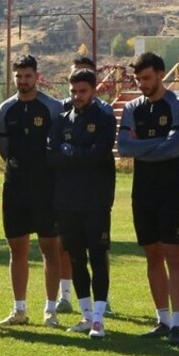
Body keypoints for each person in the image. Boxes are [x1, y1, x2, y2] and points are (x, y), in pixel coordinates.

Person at [117, 51, 179, 345]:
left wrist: (142, 146)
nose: (142, 84)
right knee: (152, 254)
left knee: (174, 254)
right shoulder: (133, 107)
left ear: (161, 74)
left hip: (172, 189)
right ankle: (162, 319)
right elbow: (123, 146)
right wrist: (157, 143)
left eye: (146, 78)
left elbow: (175, 148)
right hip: (143, 191)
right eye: (137, 79)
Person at [0, 54, 65, 327]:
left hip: (46, 189)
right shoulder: (5, 110)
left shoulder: (52, 107)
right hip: (15, 187)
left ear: (37, 76)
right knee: (17, 249)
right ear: (13, 77)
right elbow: (5, 151)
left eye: (27, 76)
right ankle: (19, 310)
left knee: (51, 248)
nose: (23, 81)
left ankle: (51, 311)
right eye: (18, 76)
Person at [49, 58, 117, 339]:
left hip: (96, 201)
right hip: (67, 202)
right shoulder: (62, 120)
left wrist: (71, 152)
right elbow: (51, 157)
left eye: (83, 92)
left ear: (94, 91)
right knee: (76, 258)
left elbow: (98, 155)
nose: (77, 97)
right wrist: (77, 153)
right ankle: (86, 315)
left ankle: (100, 319)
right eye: (74, 92)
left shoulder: (104, 118)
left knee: (98, 257)